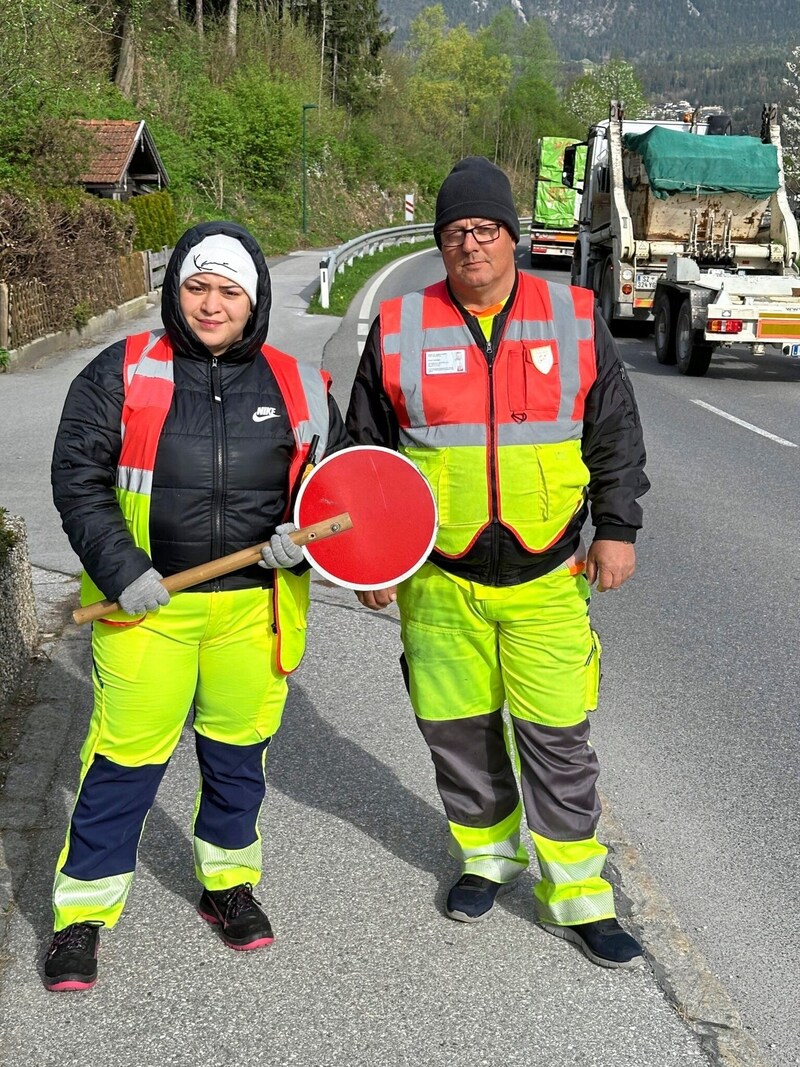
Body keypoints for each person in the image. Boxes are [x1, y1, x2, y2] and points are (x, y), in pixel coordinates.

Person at [346, 156, 650, 970]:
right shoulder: (401, 327)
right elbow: (364, 455)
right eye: (454, 233)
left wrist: (615, 527)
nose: (469, 244)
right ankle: (489, 858)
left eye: (484, 229)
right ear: (441, 244)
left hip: (550, 570)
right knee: (458, 733)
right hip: (438, 576)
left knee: (557, 736)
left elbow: (614, 434)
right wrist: (369, 559)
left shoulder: (574, 316)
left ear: (512, 236)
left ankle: (580, 895)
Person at [46, 221, 349, 991]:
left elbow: (340, 492)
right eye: (198, 287)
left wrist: (302, 543)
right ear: (176, 290)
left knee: (237, 757)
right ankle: (81, 917)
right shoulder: (124, 370)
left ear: (255, 301)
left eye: (229, 291)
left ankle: (227, 886)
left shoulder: (296, 382)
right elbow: (77, 478)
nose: (212, 305)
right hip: (147, 607)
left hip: (254, 608)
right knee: (123, 761)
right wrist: (122, 569)